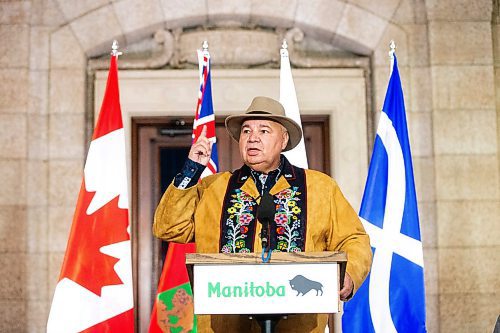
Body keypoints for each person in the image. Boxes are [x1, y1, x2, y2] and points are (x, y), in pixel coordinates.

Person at [153, 96, 372, 333]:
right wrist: (191, 170)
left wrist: (348, 274)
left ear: (284, 139)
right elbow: (169, 227)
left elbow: (354, 239)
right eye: (246, 131)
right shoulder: (213, 188)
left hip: (300, 327)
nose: (252, 137)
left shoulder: (320, 187)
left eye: (264, 130)